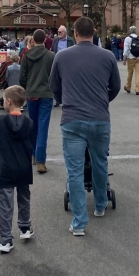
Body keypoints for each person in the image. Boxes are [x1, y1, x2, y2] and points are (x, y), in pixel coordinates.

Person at [50, 16, 121, 235]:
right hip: (99, 118)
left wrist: (66, 101)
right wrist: (101, 101)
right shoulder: (107, 56)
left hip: (72, 118)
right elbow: (115, 87)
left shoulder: (61, 57)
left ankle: (79, 222)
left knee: (75, 169)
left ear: (75, 33)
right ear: (94, 32)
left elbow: (54, 86)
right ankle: (100, 205)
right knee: (100, 162)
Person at [0, 85, 35, 253]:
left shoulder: (1, 122)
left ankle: (6, 240)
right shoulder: (29, 123)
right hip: (24, 168)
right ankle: (25, 228)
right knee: (24, 198)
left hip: (6, 169)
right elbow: (32, 143)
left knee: (6, 203)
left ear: (8, 101)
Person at [19, 29, 56, 174]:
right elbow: (54, 75)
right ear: (45, 40)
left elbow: (22, 76)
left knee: (32, 125)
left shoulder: (27, 55)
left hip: (31, 93)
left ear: (33, 40)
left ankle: (32, 155)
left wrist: (26, 88)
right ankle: (41, 161)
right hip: (46, 93)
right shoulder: (51, 56)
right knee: (43, 126)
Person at [122, 26, 139, 95]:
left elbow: (126, 49)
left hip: (130, 57)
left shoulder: (127, 39)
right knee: (138, 73)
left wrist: (124, 58)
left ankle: (128, 87)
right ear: (136, 31)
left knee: (130, 73)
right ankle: (137, 89)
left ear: (130, 31)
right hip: (138, 57)